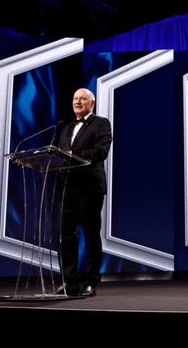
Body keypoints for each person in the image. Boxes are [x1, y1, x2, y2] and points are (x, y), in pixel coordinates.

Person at [57, 88, 112, 297]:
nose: (77, 102)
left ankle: (90, 281)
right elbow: (58, 155)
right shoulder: (65, 128)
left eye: (82, 99)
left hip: (90, 187)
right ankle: (70, 281)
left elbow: (101, 152)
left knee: (90, 234)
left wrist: (72, 155)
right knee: (66, 236)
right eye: (75, 98)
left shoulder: (101, 124)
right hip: (69, 188)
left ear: (92, 103)